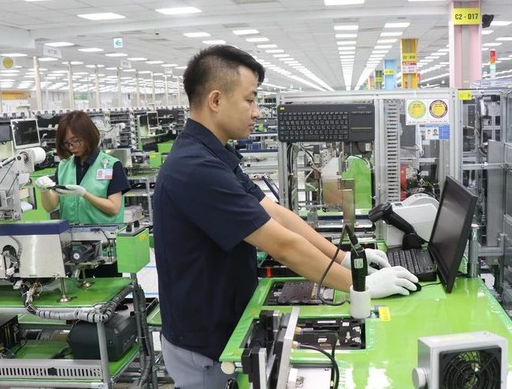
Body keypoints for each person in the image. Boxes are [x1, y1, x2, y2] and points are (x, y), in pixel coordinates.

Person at [153, 44, 418, 388]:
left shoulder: (214, 155)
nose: (257, 112)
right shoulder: (194, 168)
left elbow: (277, 215)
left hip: (224, 325)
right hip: (204, 349)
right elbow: (282, 245)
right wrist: (358, 285)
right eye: (250, 100)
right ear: (215, 100)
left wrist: (347, 257)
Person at [34, 110, 130, 275]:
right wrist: (44, 191)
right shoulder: (64, 166)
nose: (72, 147)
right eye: (67, 143)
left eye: (75, 141)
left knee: (106, 292)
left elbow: (114, 207)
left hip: (104, 244)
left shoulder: (111, 165)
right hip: (72, 243)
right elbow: (51, 206)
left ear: (88, 135)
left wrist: (85, 194)